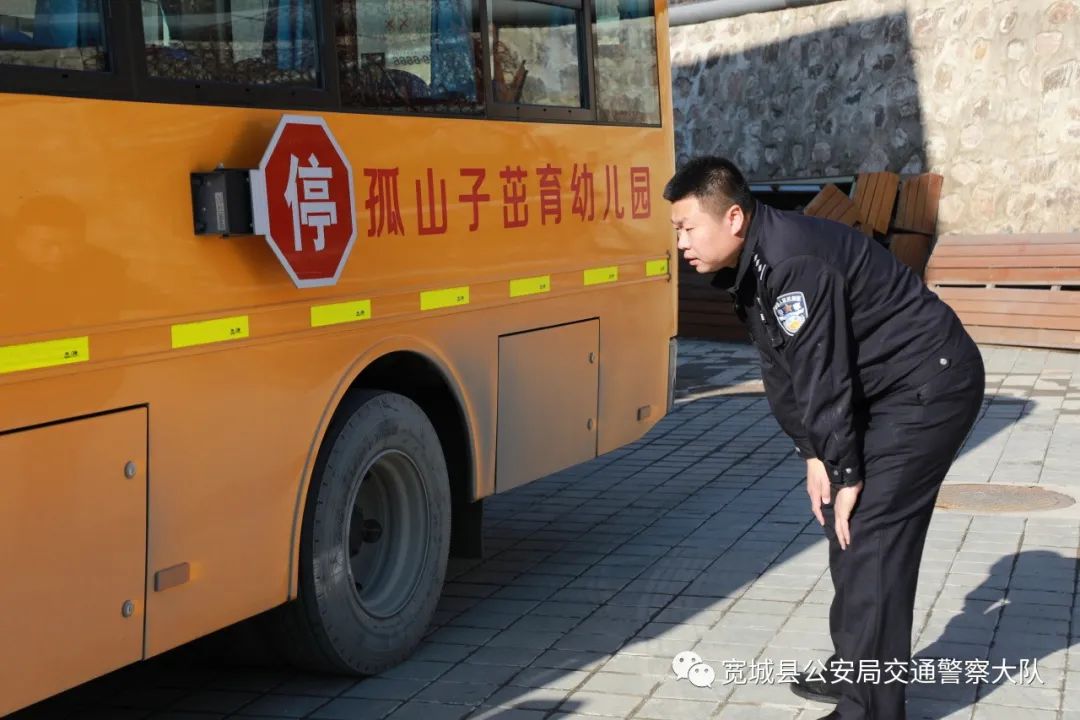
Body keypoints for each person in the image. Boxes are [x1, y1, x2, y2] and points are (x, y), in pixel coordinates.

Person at [664, 156, 985, 720]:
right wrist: (814, 453)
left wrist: (845, 471)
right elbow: (781, 367)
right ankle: (856, 668)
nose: (681, 242)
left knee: (872, 534)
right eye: (677, 231)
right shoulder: (753, 261)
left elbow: (821, 372)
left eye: (688, 228)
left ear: (733, 217)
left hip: (929, 384)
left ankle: (871, 708)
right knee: (847, 528)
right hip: (882, 390)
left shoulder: (792, 261)